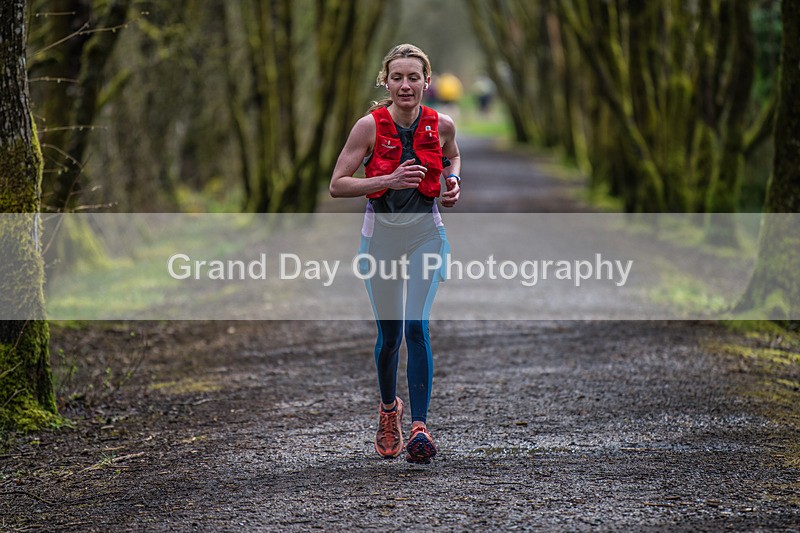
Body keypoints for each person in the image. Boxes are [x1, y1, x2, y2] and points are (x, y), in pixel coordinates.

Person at [329, 44, 461, 464]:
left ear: (427, 81)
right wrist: (388, 178)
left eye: (413, 77)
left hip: (426, 236)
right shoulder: (368, 127)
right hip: (381, 241)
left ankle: (420, 428)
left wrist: (454, 180)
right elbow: (337, 184)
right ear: (385, 82)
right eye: (397, 77)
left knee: (416, 327)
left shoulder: (442, 125)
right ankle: (390, 411)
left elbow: (453, 155)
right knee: (389, 338)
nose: (405, 85)